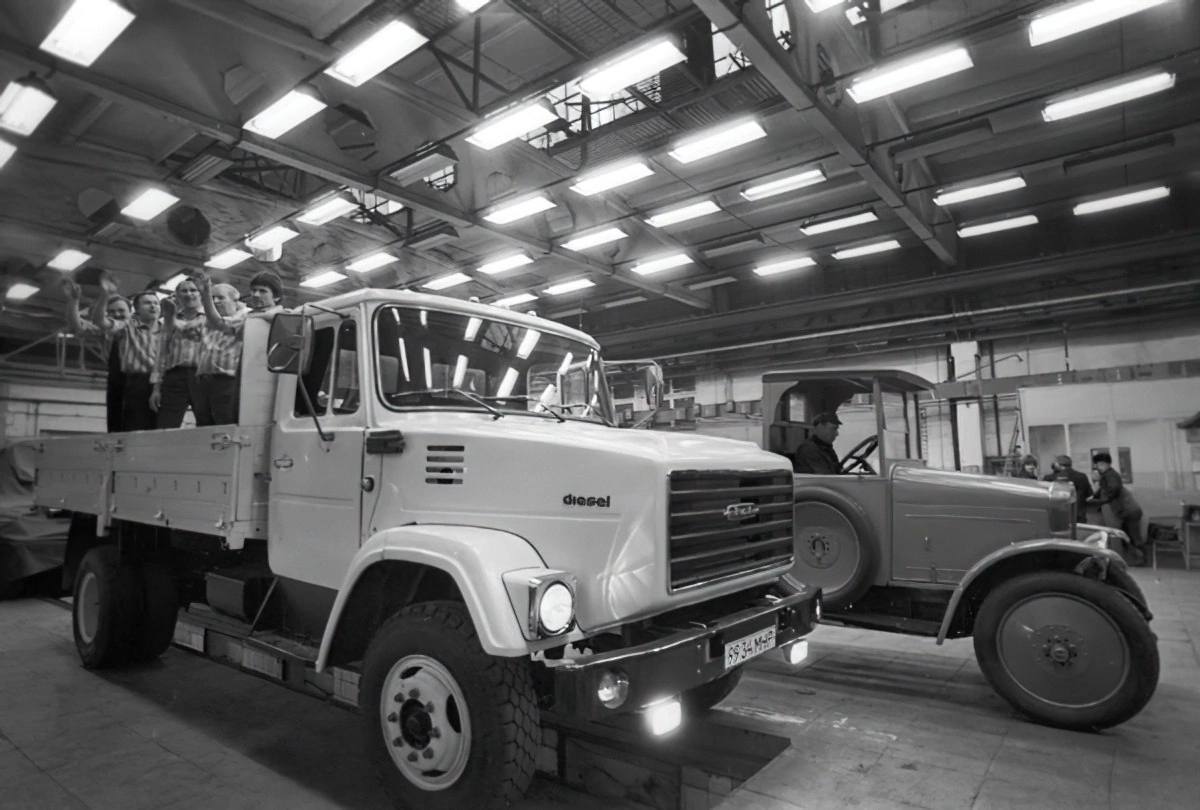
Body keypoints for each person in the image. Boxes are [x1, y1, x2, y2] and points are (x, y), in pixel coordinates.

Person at [96, 273, 160, 431]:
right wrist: (105, 295)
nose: (152, 306)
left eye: (155, 303)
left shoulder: (168, 327)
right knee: (135, 425)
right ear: (136, 310)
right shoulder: (127, 325)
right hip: (137, 381)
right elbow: (100, 321)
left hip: (161, 382)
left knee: (159, 426)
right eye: (147, 303)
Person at [64, 279, 130, 432]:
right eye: (111, 312)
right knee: (115, 420)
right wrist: (74, 301)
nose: (116, 315)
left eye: (121, 311)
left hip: (139, 377)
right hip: (115, 377)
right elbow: (77, 326)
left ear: (130, 313)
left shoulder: (138, 327)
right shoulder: (105, 332)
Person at [189, 273, 247, 425]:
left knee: (223, 425)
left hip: (226, 381)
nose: (216, 301)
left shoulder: (245, 316)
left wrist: (206, 293)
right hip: (203, 381)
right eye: (213, 298)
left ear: (235, 300)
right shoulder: (205, 320)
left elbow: (220, 323)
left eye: (221, 297)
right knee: (203, 426)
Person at [151, 278, 205, 428]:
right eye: (184, 290)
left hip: (202, 377)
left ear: (201, 294)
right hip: (174, 377)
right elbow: (161, 354)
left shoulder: (212, 318)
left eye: (193, 290)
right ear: (177, 296)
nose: (189, 294)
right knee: (165, 425)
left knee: (207, 425)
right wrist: (156, 388)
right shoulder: (166, 322)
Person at [1089, 451, 1146, 566]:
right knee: (1127, 537)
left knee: (1133, 537)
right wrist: (1094, 497)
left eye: (1098, 465)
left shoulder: (1110, 475)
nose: (1097, 468)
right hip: (1127, 511)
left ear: (1104, 464)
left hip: (1130, 511)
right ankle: (1136, 559)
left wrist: (1101, 500)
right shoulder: (1108, 475)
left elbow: (1112, 489)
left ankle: (1142, 559)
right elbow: (1103, 490)